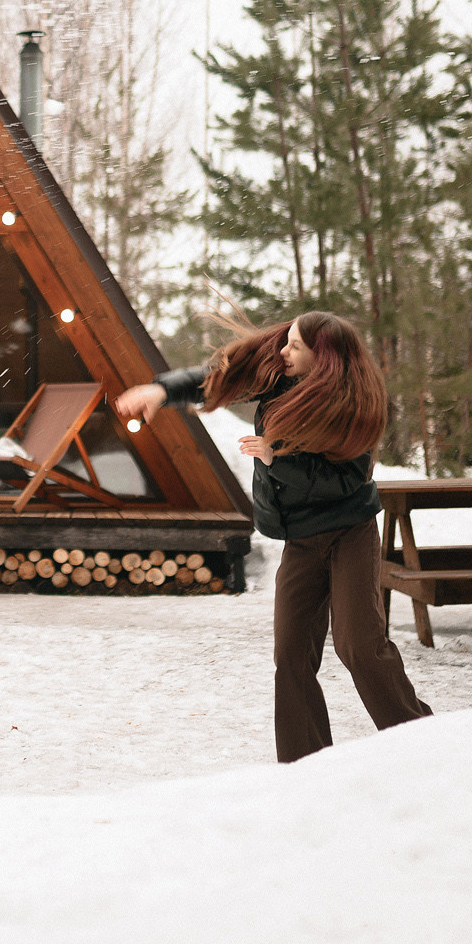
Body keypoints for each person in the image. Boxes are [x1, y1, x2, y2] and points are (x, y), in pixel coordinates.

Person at [116, 311, 429, 762]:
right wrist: (161, 389)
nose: (284, 350)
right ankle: (304, 765)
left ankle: (422, 742)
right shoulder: (276, 373)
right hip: (301, 539)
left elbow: (347, 482)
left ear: (323, 359)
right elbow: (219, 378)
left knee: (359, 646)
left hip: (348, 534)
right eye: (287, 340)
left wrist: (276, 456)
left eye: (296, 345)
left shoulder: (354, 403)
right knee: (291, 654)